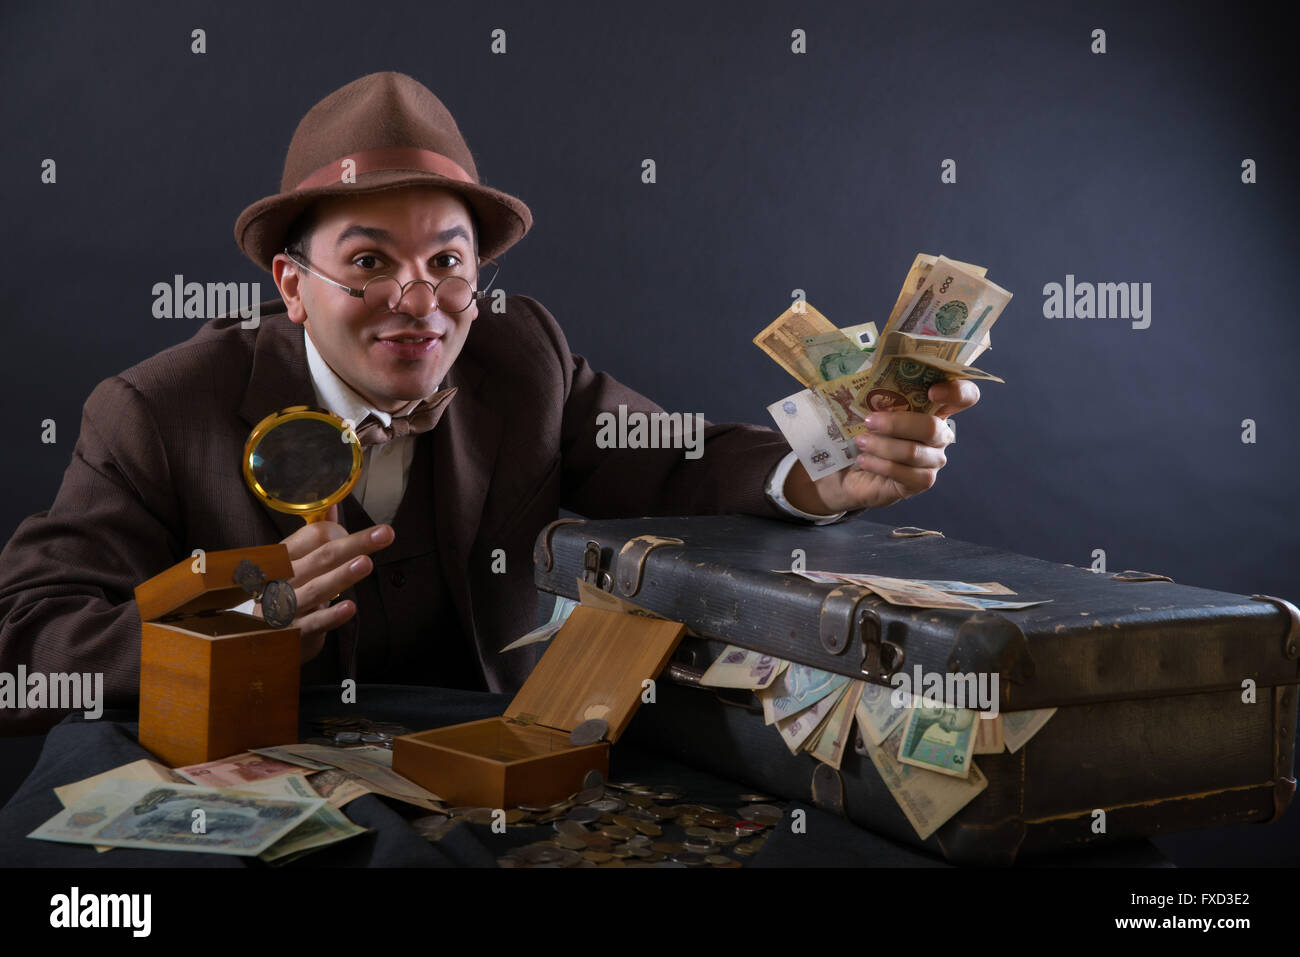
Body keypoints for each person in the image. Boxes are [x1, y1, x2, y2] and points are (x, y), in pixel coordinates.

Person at [0, 72, 976, 733]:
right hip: (251, 775)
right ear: (291, 287)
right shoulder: (154, 411)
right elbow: (30, 642)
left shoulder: (520, 355)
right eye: (369, 263)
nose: (418, 301)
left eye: (447, 262)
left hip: (486, 759)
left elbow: (675, 459)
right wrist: (227, 622)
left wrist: (821, 469)